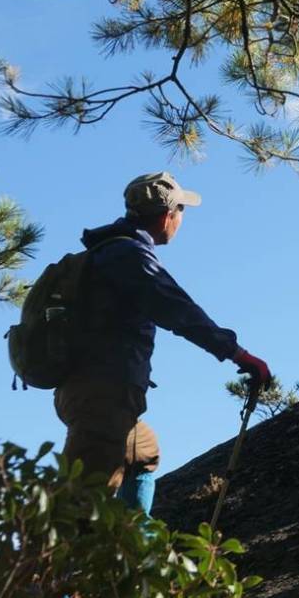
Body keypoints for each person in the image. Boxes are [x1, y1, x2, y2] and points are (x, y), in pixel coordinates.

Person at [56, 172, 272, 514]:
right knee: (76, 510)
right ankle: (47, 566)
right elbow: (177, 310)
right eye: (182, 209)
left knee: (143, 454)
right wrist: (238, 354)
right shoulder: (129, 257)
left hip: (92, 394)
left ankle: (133, 551)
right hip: (103, 397)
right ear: (166, 216)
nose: (182, 219)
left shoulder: (110, 252)